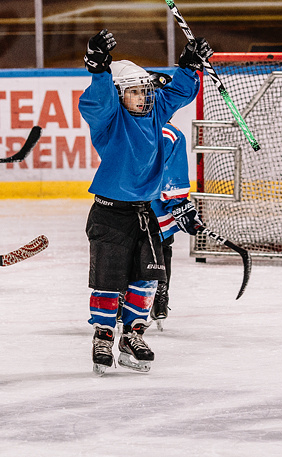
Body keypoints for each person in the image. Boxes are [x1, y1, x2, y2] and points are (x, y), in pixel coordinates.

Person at [80, 29, 207, 375]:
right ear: (121, 95)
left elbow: (180, 91)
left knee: (146, 279)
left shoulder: (155, 112)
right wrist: (99, 69)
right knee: (108, 280)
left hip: (145, 213)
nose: (143, 97)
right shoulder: (110, 121)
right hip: (110, 215)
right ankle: (104, 335)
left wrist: (188, 65)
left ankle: (133, 334)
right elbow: (97, 101)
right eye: (134, 92)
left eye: (145, 90)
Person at [147, 71, 205, 329]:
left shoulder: (126, 130)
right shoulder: (170, 134)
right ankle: (160, 296)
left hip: (127, 209)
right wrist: (180, 207)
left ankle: (122, 300)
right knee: (161, 251)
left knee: (128, 253)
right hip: (158, 212)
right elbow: (172, 183)